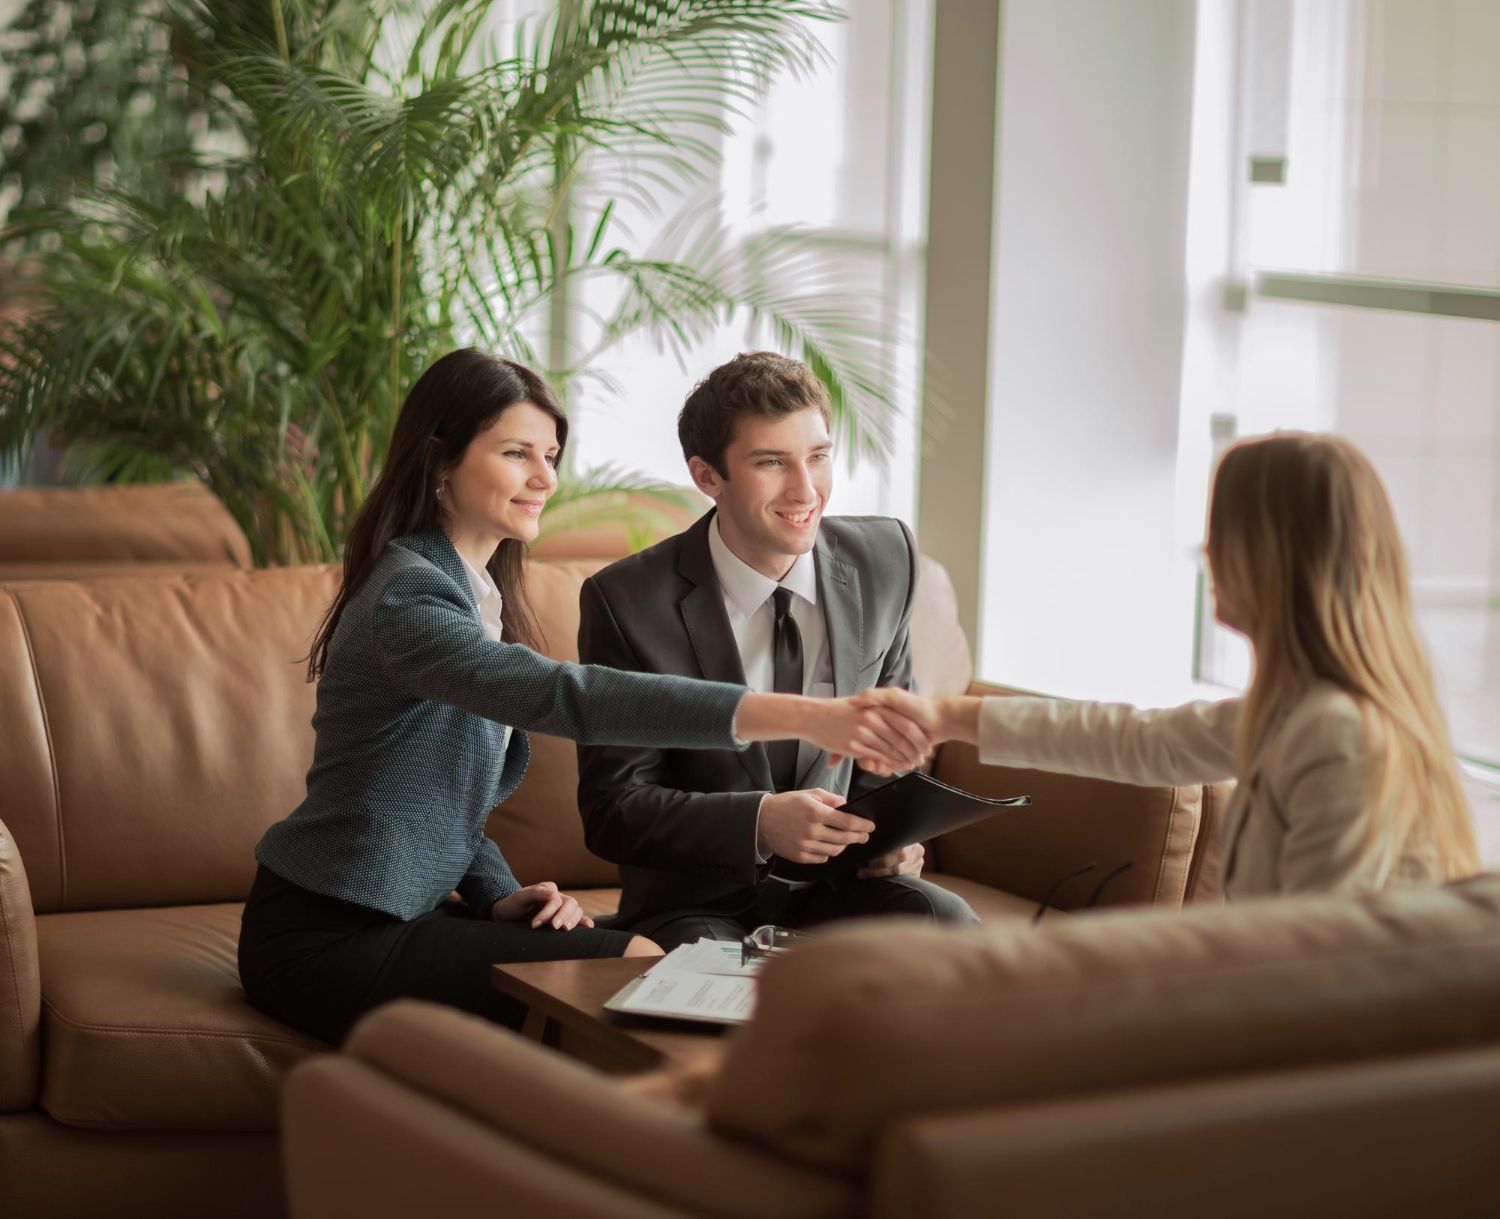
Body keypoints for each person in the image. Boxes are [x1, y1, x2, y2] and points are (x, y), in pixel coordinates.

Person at [238, 349, 929, 1044]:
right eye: (517, 454)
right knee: (639, 971)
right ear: (439, 460)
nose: (545, 478)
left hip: (401, 915)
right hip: (323, 934)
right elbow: (570, 697)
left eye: (551, 454)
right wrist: (801, 713)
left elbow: (439, 794)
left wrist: (498, 892)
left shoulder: (474, 594)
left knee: (642, 965)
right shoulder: (407, 598)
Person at [858, 432, 1480, 898]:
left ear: (1272, 556)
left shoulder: (1339, 735)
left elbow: (1309, 958)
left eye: (1221, 532)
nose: (1205, 551)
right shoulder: (1293, 710)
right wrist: (940, 716)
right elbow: (1139, 741)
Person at [576, 351, 978, 951]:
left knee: (948, 929)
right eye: (771, 463)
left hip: (844, 891)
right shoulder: (626, 601)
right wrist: (759, 822)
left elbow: (887, 752)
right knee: (719, 988)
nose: (806, 489)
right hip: (697, 904)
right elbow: (614, 807)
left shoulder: (886, 558)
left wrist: (892, 839)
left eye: (818, 457)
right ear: (708, 477)